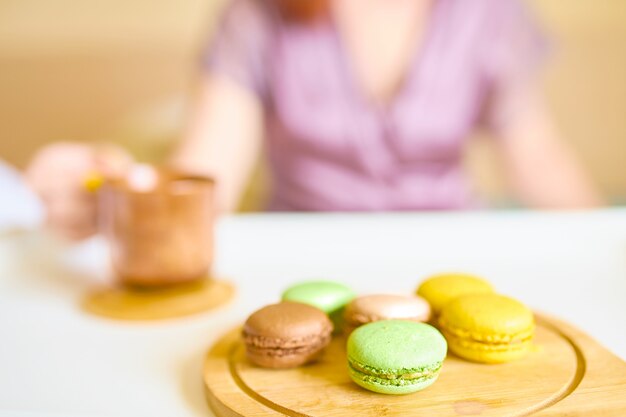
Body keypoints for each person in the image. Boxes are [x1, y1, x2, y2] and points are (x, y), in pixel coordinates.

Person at [26, 0, 602, 239]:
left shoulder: (489, 14)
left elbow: (540, 159)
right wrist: (116, 192)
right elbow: (206, 183)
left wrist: (608, 242)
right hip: (298, 257)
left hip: (455, 249)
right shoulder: (259, 15)